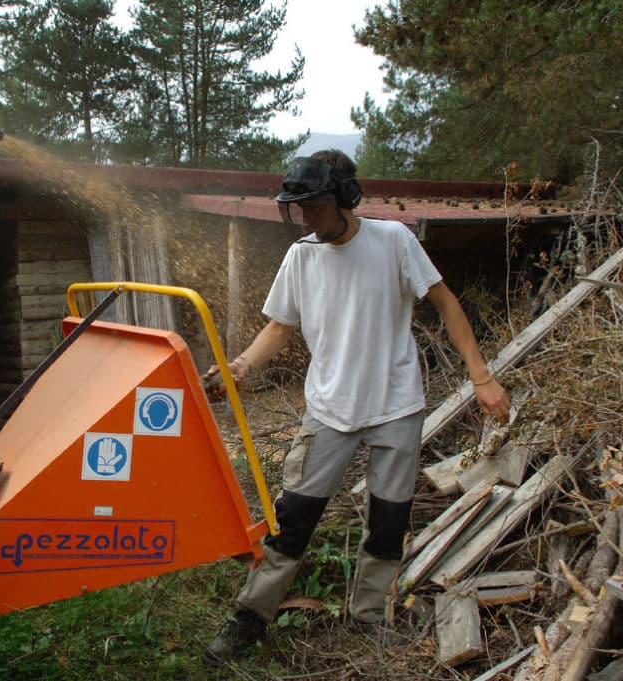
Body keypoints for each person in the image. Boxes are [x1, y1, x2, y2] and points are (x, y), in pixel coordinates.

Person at [203, 150, 511, 665]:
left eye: (313, 206)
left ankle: (368, 617)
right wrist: (241, 366)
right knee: (292, 518)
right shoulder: (301, 255)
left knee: (389, 522)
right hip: (328, 409)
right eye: (296, 208)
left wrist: (482, 377)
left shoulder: (393, 241)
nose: (303, 217)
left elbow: (445, 302)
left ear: (344, 198)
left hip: (396, 407)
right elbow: (280, 326)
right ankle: (249, 619)